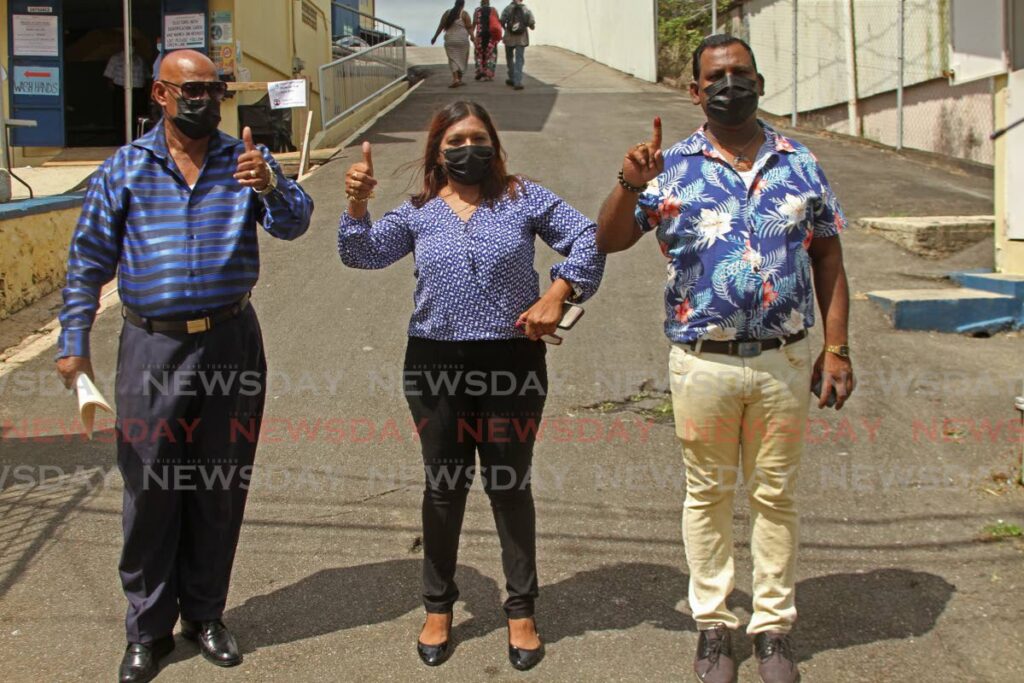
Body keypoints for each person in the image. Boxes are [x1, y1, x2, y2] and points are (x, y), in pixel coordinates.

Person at [596, 35, 854, 683]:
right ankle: (713, 623)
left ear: (760, 82)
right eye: (716, 76)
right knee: (707, 494)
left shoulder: (800, 162)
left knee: (775, 495)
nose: (729, 85)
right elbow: (611, 238)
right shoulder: (671, 165)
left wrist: (838, 347)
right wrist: (631, 182)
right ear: (695, 90)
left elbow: (828, 256)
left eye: (740, 74)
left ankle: (771, 627)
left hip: (785, 360)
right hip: (702, 362)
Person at [56, 50, 313, 683]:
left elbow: (296, 224)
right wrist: (74, 339)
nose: (203, 99)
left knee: (220, 487)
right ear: (160, 95)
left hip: (231, 340)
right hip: (153, 348)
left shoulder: (245, 161)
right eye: (189, 89)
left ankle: (205, 614)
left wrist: (271, 183)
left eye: (212, 89)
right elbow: (88, 259)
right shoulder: (124, 168)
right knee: (150, 490)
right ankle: (147, 629)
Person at [338, 100, 605, 671]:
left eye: (477, 138)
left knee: (509, 485)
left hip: (512, 363)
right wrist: (357, 201)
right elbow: (359, 253)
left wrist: (557, 296)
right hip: (434, 365)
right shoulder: (420, 212)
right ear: (437, 151)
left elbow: (589, 238)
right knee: (444, 486)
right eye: (454, 141)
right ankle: (438, 606)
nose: (467, 150)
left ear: (494, 144)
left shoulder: (523, 198)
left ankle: (521, 609)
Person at [104, 44, 147, 142]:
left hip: (138, 91)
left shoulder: (139, 59)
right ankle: (121, 138)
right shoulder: (115, 58)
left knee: (137, 115)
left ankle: (137, 138)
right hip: (120, 90)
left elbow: (146, 76)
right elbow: (109, 78)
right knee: (120, 116)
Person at [431, 0, 473, 88]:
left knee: (452, 59)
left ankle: (456, 79)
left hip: (450, 40)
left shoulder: (447, 13)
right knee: (462, 59)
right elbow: (469, 27)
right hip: (462, 40)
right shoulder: (464, 14)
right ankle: (459, 79)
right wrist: (473, 37)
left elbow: (441, 26)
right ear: (463, 5)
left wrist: (435, 37)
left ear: (455, 4)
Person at [500, 0, 535, 90]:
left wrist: (508, 29)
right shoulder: (526, 9)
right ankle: (517, 82)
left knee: (509, 58)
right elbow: (532, 25)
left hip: (509, 38)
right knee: (519, 59)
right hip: (521, 39)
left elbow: (502, 21)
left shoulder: (507, 8)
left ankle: (511, 78)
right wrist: (525, 25)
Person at [472, 0, 502, 81]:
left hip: (480, 36)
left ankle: (480, 71)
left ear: (481, 2)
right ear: (488, 2)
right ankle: (488, 74)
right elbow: (498, 22)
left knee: (479, 54)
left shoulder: (477, 10)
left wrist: (472, 36)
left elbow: (474, 23)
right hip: (491, 36)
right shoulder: (493, 10)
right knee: (491, 55)